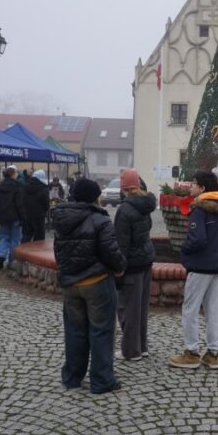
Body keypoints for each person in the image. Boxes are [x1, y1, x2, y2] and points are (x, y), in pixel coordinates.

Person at [52, 177, 127, 394]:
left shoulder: (61, 218)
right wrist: (120, 266)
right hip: (96, 282)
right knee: (101, 331)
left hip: (71, 284)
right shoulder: (100, 219)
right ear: (94, 196)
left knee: (74, 331)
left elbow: (59, 251)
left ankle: (72, 377)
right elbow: (110, 251)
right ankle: (102, 380)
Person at [169, 170, 218, 370]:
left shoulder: (200, 211)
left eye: (194, 184)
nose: (191, 186)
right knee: (213, 311)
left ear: (202, 188)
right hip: (217, 266)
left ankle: (191, 353)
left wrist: (184, 249)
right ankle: (213, 353)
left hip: (200, 267)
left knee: (190, 309)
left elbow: (197, 239)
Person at [113, 168, 156, 362]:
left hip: (131, 264)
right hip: (146, 261)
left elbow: (121, 243)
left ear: (124, 187)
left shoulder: (124, 210)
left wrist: (118, 268)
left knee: (126, 307)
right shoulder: (145, 205)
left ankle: (131, 351)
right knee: (140, 308)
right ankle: (142, 346)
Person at [0, 166, 26, 269]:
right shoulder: (17, 186)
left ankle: (1, 255)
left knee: (4, 237)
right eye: (16, 173)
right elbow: (20, 204)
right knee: (14, 239)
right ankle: (11, 261)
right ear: (13, 174)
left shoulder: (0, 186)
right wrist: (23, 217)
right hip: (15, 216)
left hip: (2, 216)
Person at [23, 170, 50, 242]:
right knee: (39, 235)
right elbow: (46, 203)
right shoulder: (43, 188)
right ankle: (37, 251)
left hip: (27, 214)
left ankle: (23, 250)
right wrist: (45, 210)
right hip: (39, 215)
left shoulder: (25, 186)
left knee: (27, 234)